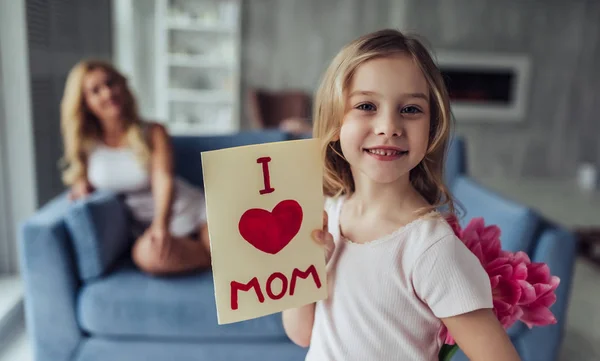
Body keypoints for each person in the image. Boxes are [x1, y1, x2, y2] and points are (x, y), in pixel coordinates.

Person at [282, 29, 521, 361]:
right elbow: (301, 334)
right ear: (335, 122)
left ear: (431, 128)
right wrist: (308, 270)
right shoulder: (325, 215)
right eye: (366, 105)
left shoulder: (431, 247)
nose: (389, 126)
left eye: (410, 110)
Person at [59, 59, 211, 276]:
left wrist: (161, 225)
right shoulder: (87, 146)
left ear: (122, 85)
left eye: (111, 83)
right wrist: (81, 183)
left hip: (192, 211)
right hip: (146, 229)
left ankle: (217, 258)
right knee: (150, 257)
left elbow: (163, 179)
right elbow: (81, 177)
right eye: (96, 90)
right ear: (85, 103)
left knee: (220, 243)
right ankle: (214, 262)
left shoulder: (154, 131)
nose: (108, 93)